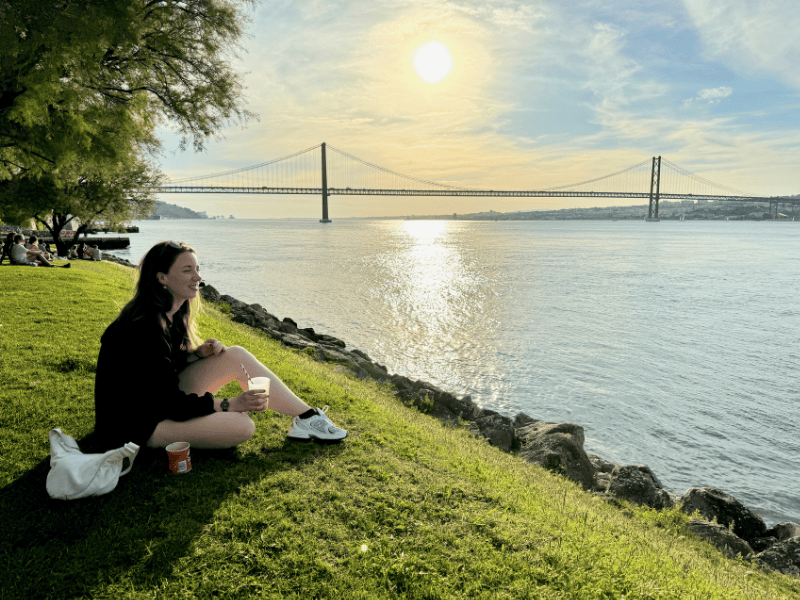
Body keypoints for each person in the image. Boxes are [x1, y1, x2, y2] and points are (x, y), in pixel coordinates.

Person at [93, 240, 347, 452]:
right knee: (242, 426)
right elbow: (168, 402)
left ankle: (307, 418)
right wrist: (229, 404)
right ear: (162, 278)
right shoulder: (145, 326)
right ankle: (291, 419)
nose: (198, 277)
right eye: (187, 271)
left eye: (197, 268)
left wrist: (195, 356)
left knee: (234, 354)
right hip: (134, 425)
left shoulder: (169, 314)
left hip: (152, 405)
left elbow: (158, 372)